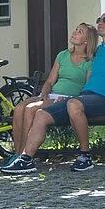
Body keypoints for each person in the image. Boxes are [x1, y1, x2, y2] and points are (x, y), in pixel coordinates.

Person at [0, 9, 105, 176]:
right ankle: (25, 159)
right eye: (99, 19)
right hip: (85, 98)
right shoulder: (97, 52)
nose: (100, 23)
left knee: (73, 103)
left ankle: (85, 156)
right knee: (41, 114)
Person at [10, 21, 98, 155]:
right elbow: (50, 82)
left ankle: (24, 155)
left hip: (68, 99)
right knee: (19, 109)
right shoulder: (63, 55)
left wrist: (72, 100)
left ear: (87, 40)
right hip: (51, 96)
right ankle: (17, 154)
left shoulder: (89, 62)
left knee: (30, 109)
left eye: (80, 32)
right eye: (75, 29)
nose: (74, 32)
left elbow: (87, 88)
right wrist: (44, 95)